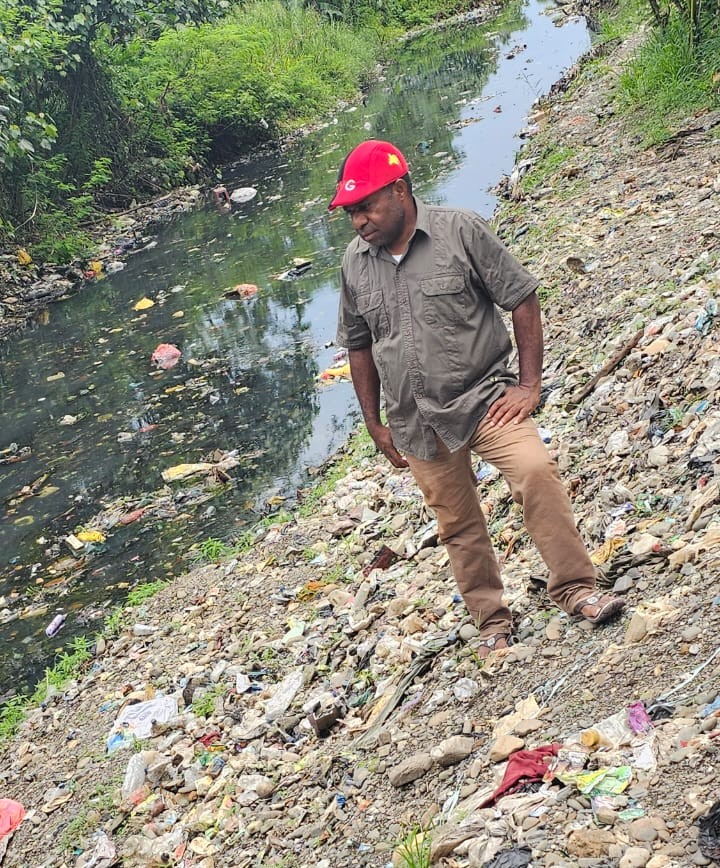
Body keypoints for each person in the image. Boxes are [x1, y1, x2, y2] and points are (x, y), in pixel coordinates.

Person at [330, 139, 625, 657]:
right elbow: (358, 346)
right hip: (415, 418)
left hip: (486, 398)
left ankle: (577, 589)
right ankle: (491, 621)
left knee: (535, 471)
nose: (359, 221)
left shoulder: (460, 231)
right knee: (457, 522)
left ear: (399, 190)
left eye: (367, 206)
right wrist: (374, 423)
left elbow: (521, 296)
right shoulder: (355, 264)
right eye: (350, 212)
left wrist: (528, 385)